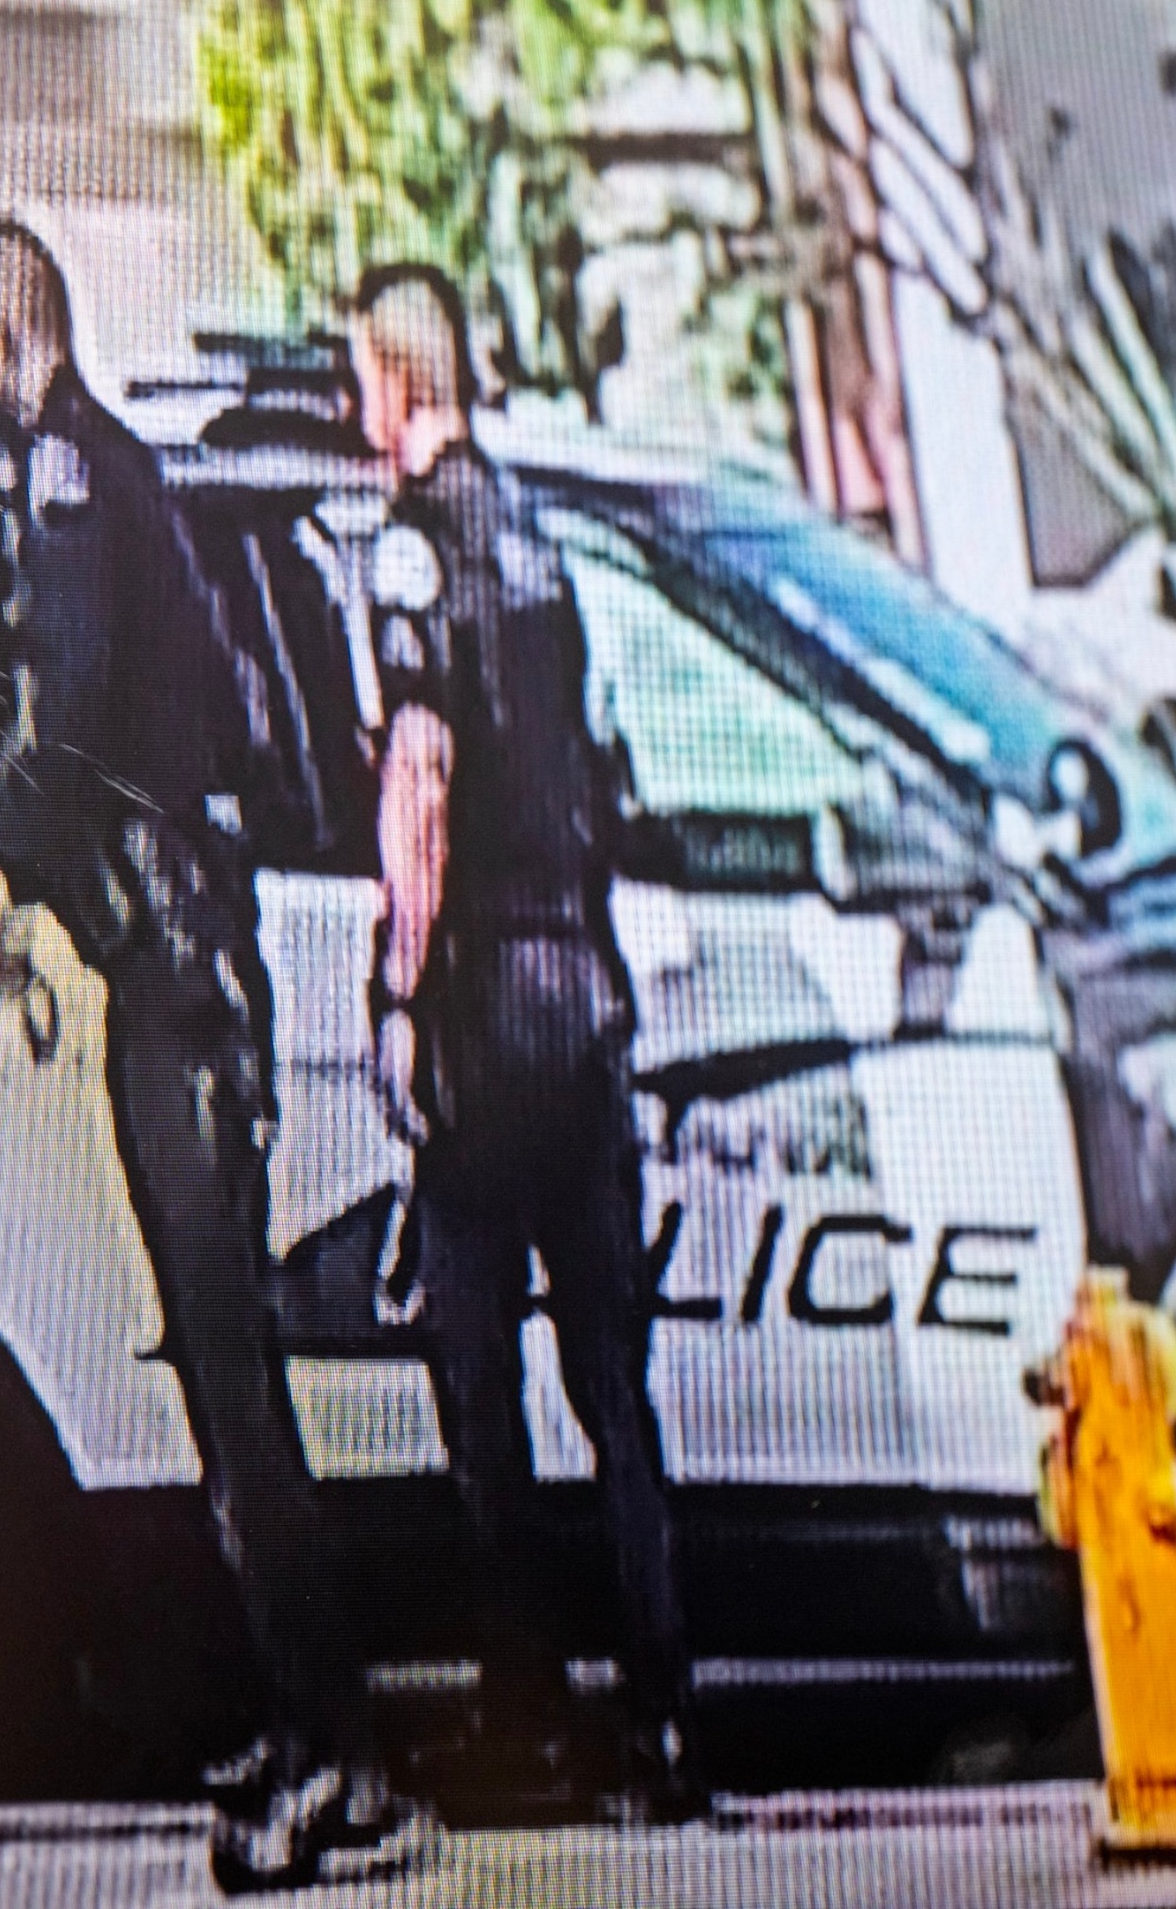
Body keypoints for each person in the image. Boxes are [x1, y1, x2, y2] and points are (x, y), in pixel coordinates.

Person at [0, 221, 418, 1892]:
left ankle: (338, 1752)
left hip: (180, 984)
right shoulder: (119, 475)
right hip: (189, 964)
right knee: (228, 1394)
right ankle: (315, 1733)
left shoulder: (69, 474)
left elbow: (60, 718)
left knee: (236, 1393)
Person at [348, 263, 703, 1823]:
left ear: (399, 382)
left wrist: (399, 990)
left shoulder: (412, 548)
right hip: (587, 994)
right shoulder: (547, 540)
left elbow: (420, 773)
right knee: (616, 1392)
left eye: (364, 381)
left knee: (478, 1385)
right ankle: (666, 1726)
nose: (360, 416)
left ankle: (531, 1716)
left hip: (489, 1005)